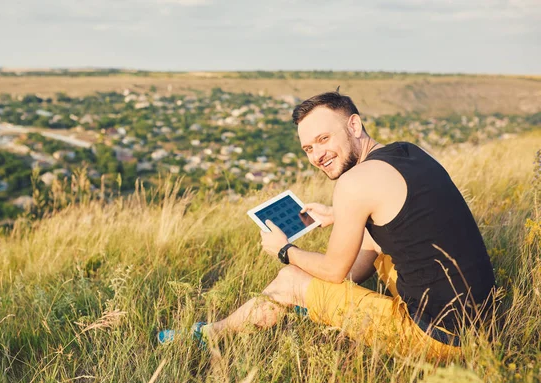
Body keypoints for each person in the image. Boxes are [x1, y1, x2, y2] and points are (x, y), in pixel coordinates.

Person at [158, 91, 496, 360]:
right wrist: (341, 216)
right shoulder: (407, 152)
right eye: (308, 147)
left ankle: (210, 335)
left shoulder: (354, 183)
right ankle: (318, 304)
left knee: (290, 279)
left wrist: (285, 251)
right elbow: (403, 215)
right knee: (367, 245)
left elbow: (336, 271)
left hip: (439, 338)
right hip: (482, 323)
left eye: (323, 138)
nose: (317, 155)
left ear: (353, 125)